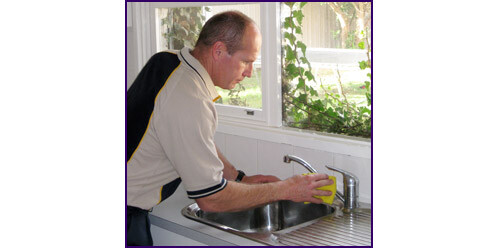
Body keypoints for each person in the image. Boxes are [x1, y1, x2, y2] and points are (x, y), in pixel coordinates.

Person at [126, 11, 334, 246]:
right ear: (218, 51)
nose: (249, 72)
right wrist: (285, 189)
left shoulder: (168, 61)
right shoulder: (189, 98)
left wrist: (238, 178)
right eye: (246, 61)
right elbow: (211, 199)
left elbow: (196, 139)